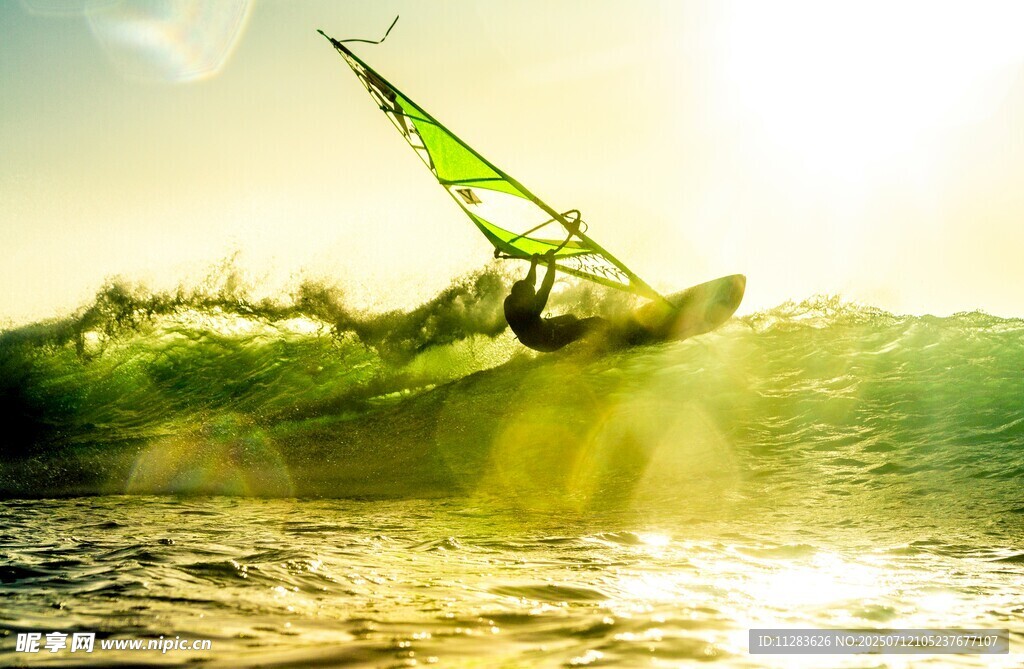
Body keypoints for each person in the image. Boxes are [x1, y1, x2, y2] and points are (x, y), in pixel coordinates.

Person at [503, 250, 607, 352]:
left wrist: (533, 264)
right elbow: (547, 284)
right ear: (523, 297)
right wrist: (552, 262)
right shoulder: (532, 309)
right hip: (550, 340)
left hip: (537, 335)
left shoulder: (511, 300)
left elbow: (529, 282)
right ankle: (615, 336)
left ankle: (584, 338)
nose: (534, 295)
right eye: (532, 294)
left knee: (570, 318)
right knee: (595, 322)